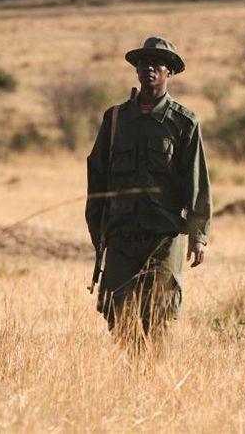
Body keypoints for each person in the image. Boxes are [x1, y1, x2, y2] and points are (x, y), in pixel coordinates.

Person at [85, 36, 211, 343]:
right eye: (143, 62)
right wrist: (96, 228)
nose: (149, 68)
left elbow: (197, 181)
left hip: (164, 237)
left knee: (159, 319)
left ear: (169, 72)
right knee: (120, 318)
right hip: (121, 234)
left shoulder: (184, 122)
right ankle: (131, 384)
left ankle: (157, 382)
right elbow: (97, 176)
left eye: (157, 63)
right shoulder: (115, 119)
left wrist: (198, 235)